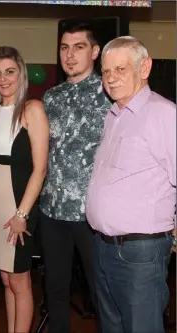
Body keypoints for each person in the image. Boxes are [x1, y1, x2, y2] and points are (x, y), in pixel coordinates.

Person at [86, 36, 176, 333]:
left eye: (120, 69)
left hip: (140, 254)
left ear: (145, 67)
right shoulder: (114, 115)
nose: (111, 78)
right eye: (106, 71)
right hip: (103, 247)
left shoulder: (164, 114)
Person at [39, 21, 111, 333]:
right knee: (55, 288)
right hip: (52, 210)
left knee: (101, 292)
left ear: (95, 51)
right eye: (64, 48)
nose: (69, 55)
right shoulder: (51, 97)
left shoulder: (110, 94)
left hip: (92, 214)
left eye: (78, 47)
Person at [0, 46, 49, 333]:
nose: (3, 78)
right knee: (6, 280)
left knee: (20, 280)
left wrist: (22, 213)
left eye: (9, 71)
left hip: (17, 208)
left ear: (21, 73)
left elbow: (40, 168)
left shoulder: (32, 108)